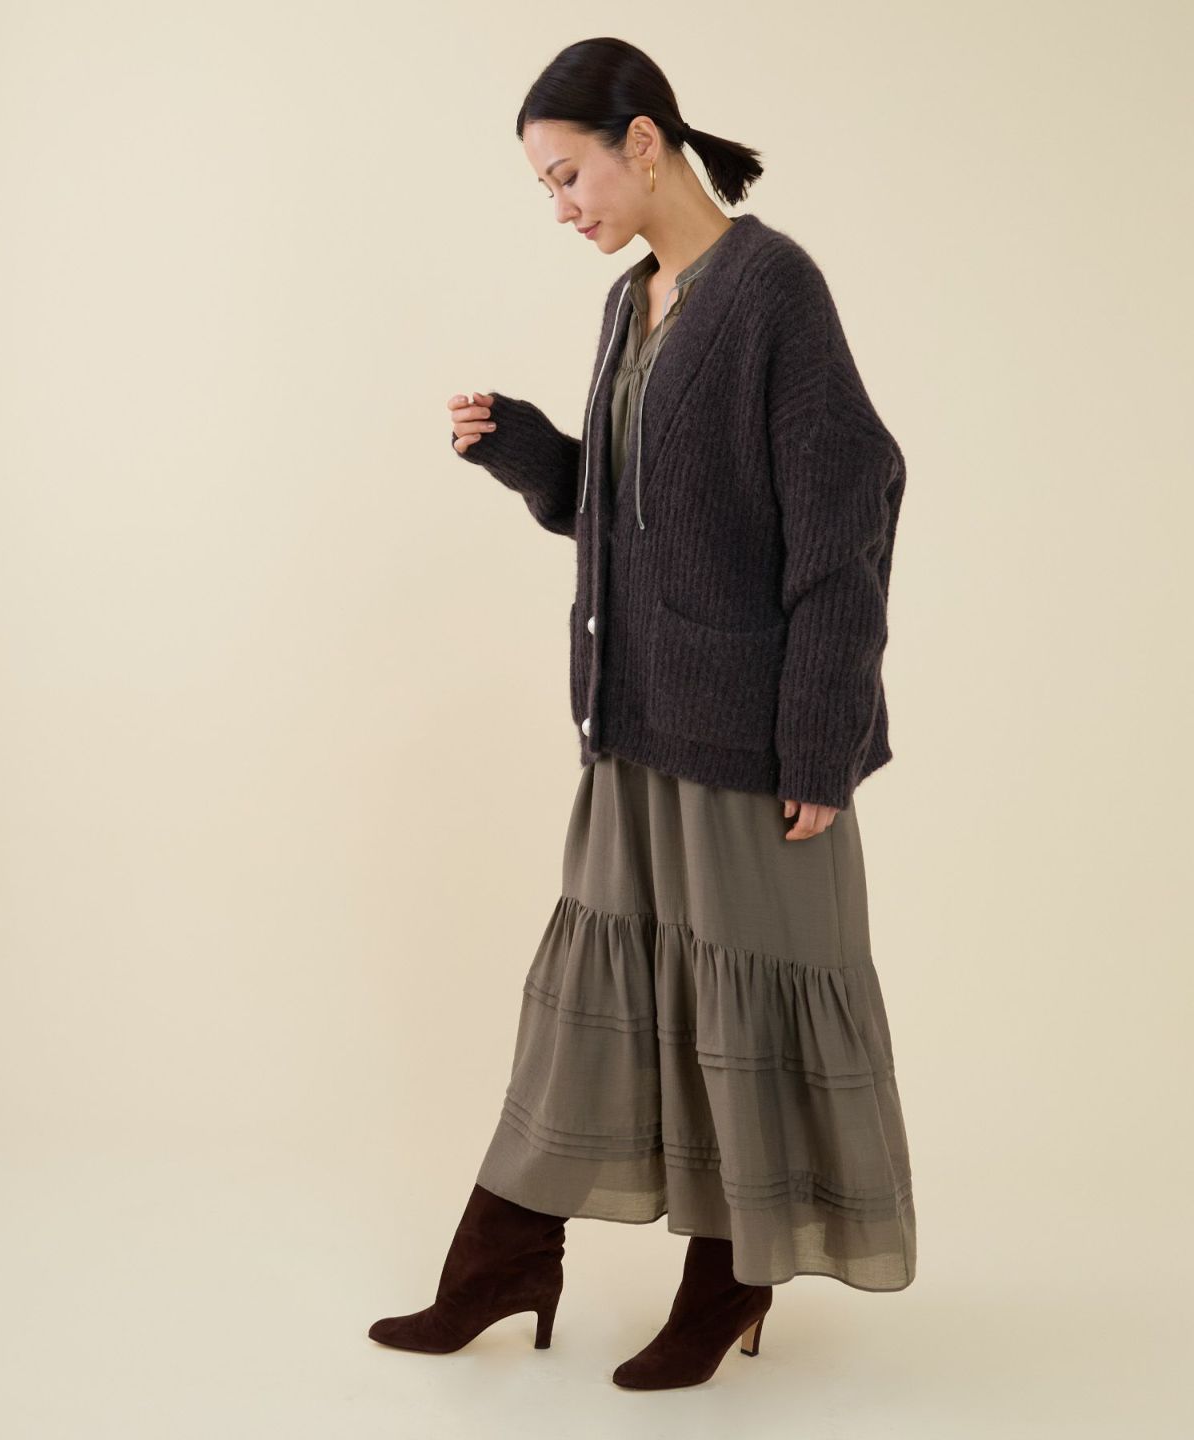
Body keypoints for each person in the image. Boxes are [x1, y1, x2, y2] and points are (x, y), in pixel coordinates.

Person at [369, 35, 916, 1391]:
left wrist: (821, 742)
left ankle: (730, 1277)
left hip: (751, 744)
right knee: (587, 1001)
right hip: (632, 727)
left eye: (568, 176)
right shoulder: (632, 304)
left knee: (740, 1012)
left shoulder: (774, 291)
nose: (561, 207)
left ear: (646, 142)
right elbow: (633, 519)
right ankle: (503, 1259)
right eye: (546, 188)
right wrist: (531, 455)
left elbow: (845, 522)